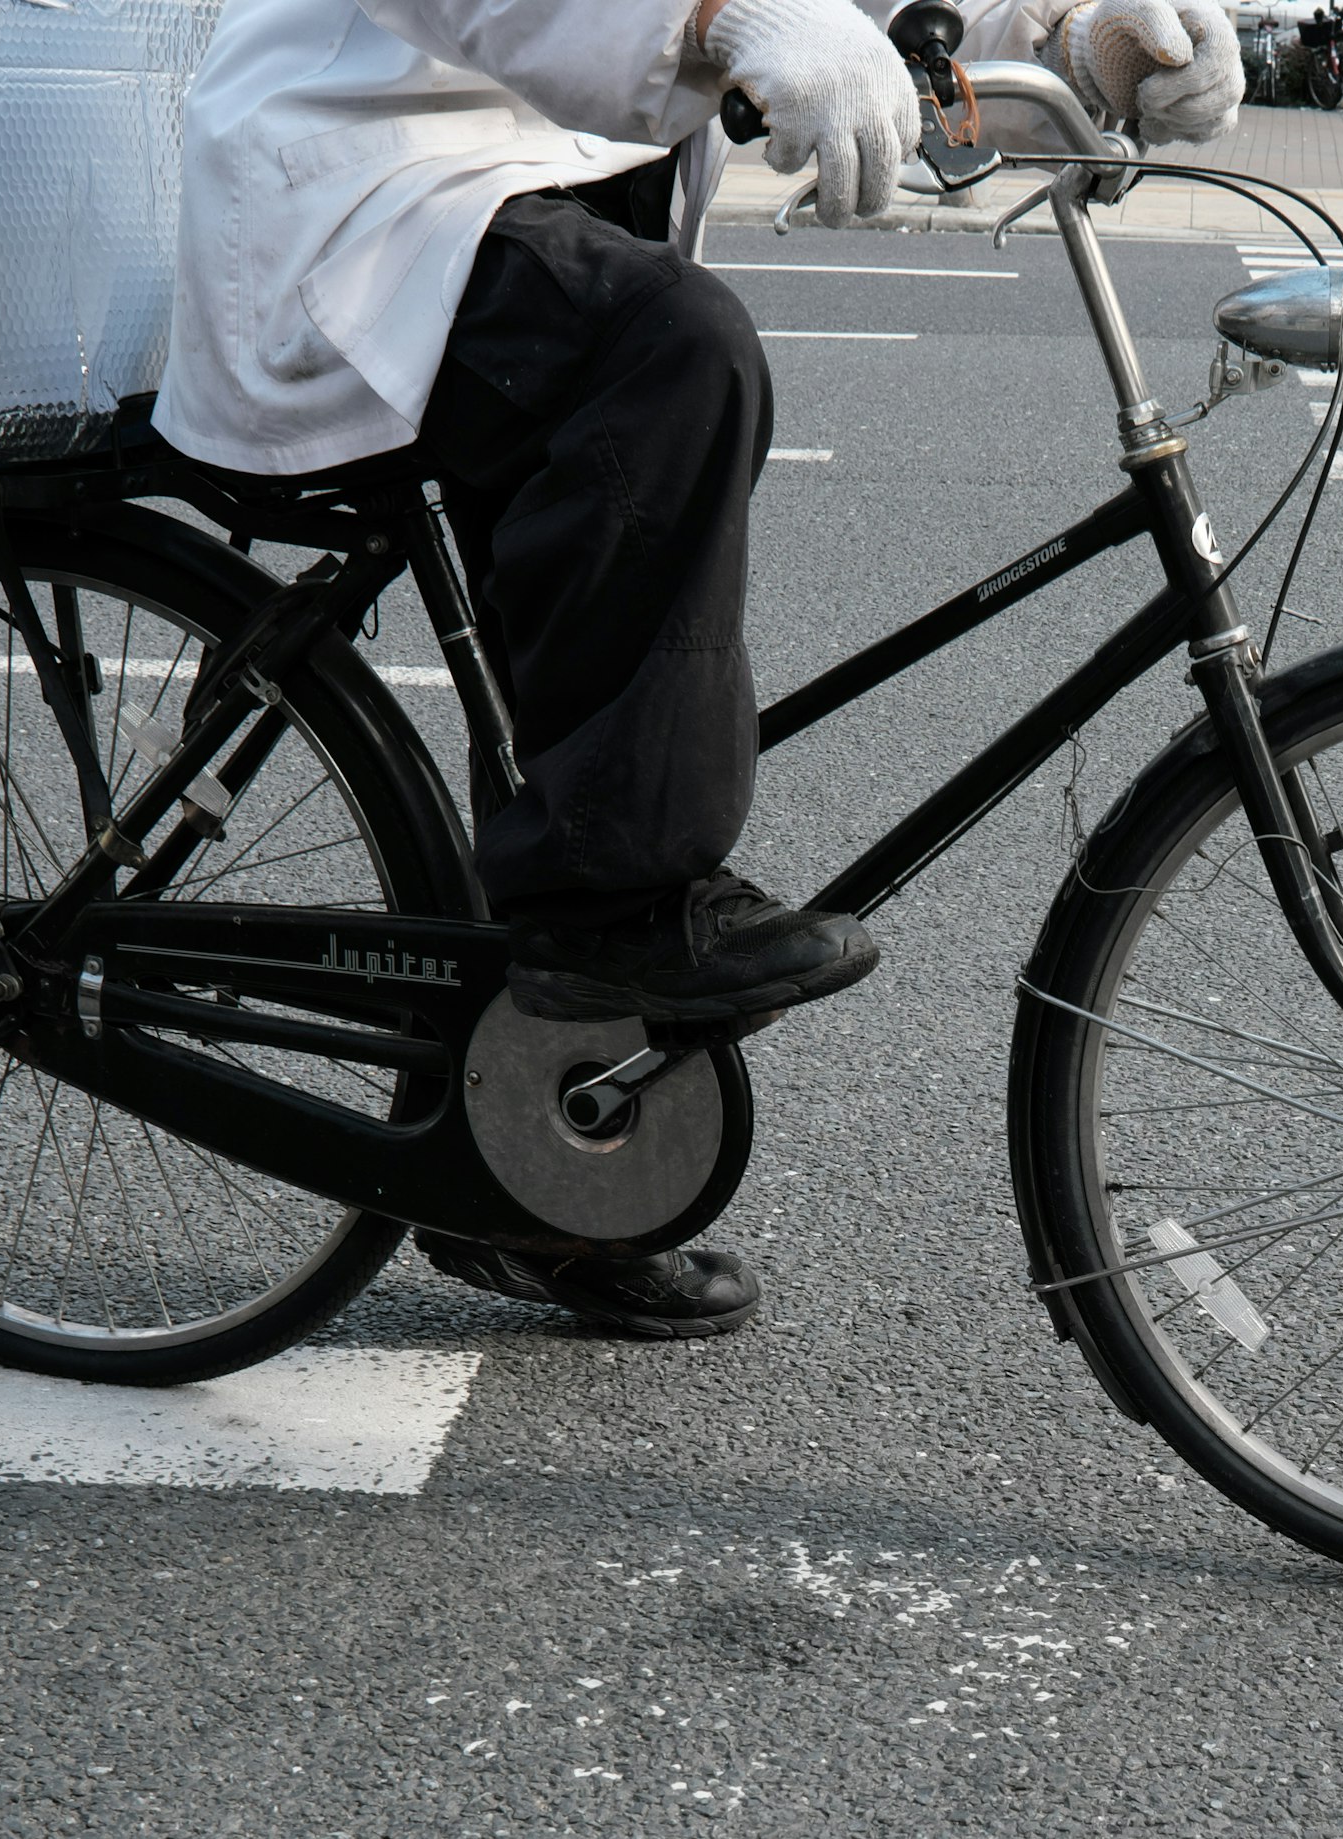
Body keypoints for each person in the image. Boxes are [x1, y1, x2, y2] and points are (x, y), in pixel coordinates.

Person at [157, 0, 1240, 1335]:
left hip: (541, 206)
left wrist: (1084, 43)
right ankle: (612, 920)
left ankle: (533, 1170)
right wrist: (725, 20)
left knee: (582, 687)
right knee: (680, 353)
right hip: (367, 201)